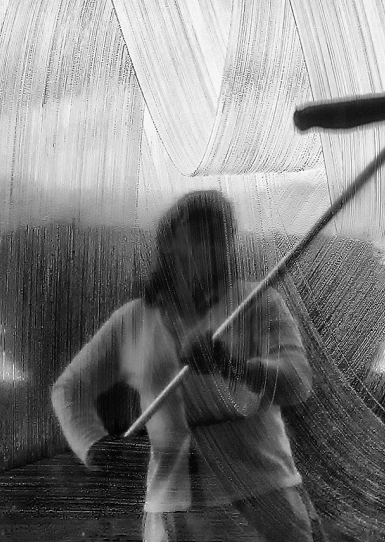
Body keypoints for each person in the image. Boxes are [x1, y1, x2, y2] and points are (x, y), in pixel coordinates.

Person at [51, 190, 319, 541]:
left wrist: (232, 366)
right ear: (169, 245)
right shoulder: (132, 321)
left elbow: (298, 381)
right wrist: (93, 443)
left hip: (263, 501)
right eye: (198, 235)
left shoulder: (259, 303)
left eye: (220, 236)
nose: (211, 248)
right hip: (170, 513)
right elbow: (69, 388)